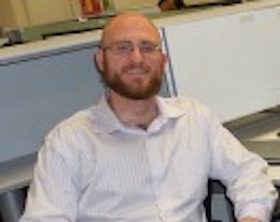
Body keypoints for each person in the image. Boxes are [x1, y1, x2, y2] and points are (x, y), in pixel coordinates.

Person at [20, 12, 277, 222]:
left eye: (147, 47)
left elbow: (248, 173)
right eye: (122, 48)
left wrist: (252, 217)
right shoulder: (68, 142)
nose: (136, 59)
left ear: (162, 60)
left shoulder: (194, 119)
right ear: (101, 60)